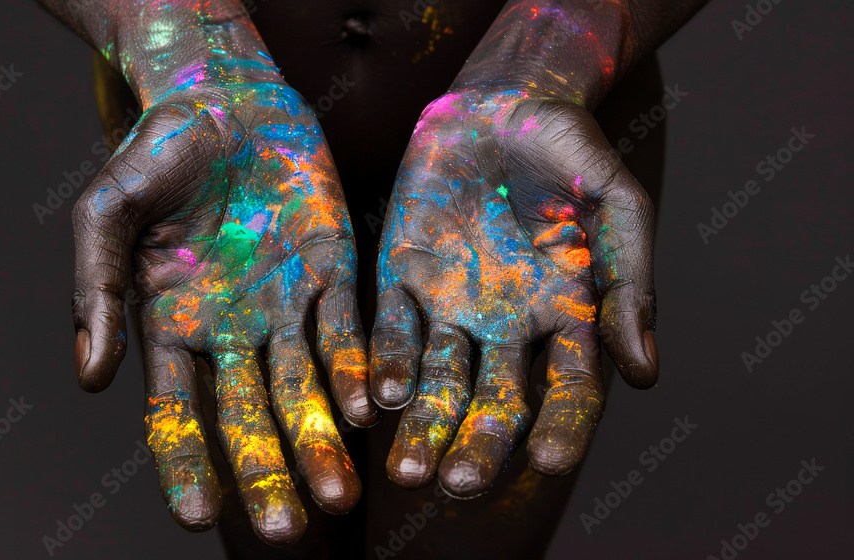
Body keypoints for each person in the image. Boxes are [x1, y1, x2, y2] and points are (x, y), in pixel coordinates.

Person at [36, 0, 708, 557]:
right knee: (278, 536)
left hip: (523, 175)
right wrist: (185, 43)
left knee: (461, 528)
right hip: (215, 172)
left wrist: (543, 56)